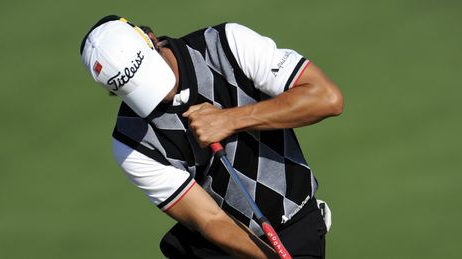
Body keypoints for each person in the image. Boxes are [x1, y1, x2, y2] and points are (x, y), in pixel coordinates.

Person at [80, 14, 343, 259]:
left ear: (150, 37)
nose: (160, 94)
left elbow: (327, 99)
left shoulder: (227, 44)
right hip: (224, 249)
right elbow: (210, 219)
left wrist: (230, 119)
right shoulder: (131, 144)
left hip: (296, 225)